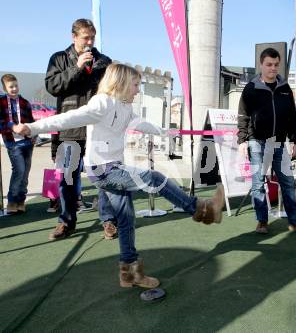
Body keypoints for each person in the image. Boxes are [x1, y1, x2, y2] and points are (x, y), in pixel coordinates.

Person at [13, 63, 225, 288]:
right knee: (154, 178)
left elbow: (139, 123)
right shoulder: (102, 102)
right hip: (104, 170)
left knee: (125, 220)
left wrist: (164, 131)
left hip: (112, 167)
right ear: (121, 83)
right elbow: (71, 117)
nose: (137, 89)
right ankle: (202, 210)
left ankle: (130, 274)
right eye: (135, 84)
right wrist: (33, 127)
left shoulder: (125, 107)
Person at [237, 47, 296, 235]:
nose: (272, 68)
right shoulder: (251, 88)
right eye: (269, 65)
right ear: (261, 64)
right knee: (258, 184)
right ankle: (262, 222)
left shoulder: (285, 89)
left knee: (288, 183)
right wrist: (242, 140)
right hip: (257, 142)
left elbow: (291, 116)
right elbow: (243, 115)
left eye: (275, 65)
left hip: (279, 144)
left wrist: (294, 139)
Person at [45, 18, 114, 241]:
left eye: (92, 37)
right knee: (67, 178)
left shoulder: (103, 60)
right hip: (70, 127)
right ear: (74, 37)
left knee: (104, 175)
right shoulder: (59, 58)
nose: (90, 42)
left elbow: (111, 90)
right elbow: (53, 86)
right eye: (86, 37)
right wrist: (76, 68)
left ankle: (108, 220)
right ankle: (66, 222)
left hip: (98, 128)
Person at [0, 74, 35, 214]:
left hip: (27, 141)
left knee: (25, 173)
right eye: (11, 87)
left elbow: (31, 121)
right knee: (19, 170)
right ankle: (12, 201)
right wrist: (12, 126)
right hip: (12, 142)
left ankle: (21, 201)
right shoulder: (1, 102)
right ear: (4, 88)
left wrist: (34, 134)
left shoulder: (25, 102)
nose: (14, 89)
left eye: (16, 86)